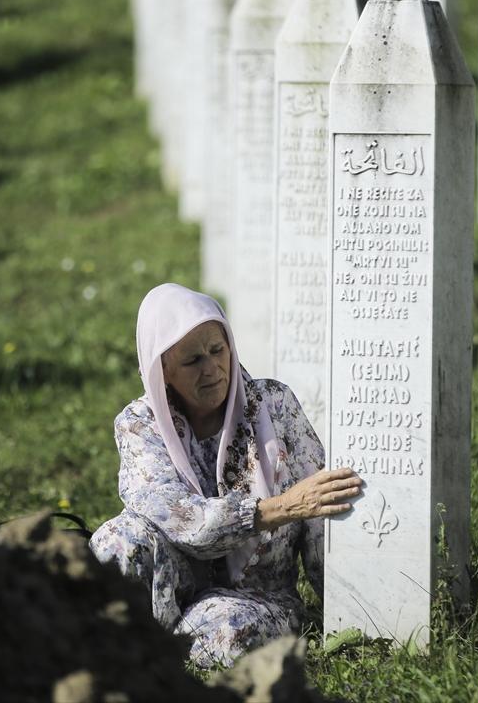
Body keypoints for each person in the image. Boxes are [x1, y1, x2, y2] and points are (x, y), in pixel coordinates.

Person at [90, 283, 363, 668]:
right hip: (173, 583)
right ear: (162, 369)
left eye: (218, 350)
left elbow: (320, 505)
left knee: (226, 632)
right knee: (115, 540)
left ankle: (148, 654)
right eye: (192, 360)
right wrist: (281, 507)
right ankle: (132, 648)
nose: (212, 368)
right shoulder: (139, 424)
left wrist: (350, 612)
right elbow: (185, 521)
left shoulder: (274, 404)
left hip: (257, 597)